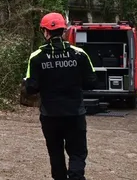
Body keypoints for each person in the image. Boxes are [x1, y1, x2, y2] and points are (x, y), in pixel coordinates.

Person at [24, 12, 98, 180]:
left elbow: (30, 88)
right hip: (75, 113)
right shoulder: (79, 54)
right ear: (64, 31)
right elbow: (92, 83)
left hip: (50, 115)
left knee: (55, 153)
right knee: (77, 153)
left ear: (45, 32)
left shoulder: (36, 57)